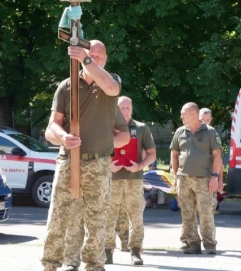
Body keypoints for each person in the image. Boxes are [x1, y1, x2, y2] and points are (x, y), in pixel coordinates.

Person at [41, 39, 130, 271]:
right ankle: (50, 264)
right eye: (93, 55)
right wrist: (63, 137)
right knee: (59, 216)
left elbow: (112, 89)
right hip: (69, 161)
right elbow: (51, 127)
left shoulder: (109, 85)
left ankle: (93, 266)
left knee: (97, 220)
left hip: (98, 164)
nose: (97, 59)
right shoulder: (66, 86)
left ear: (105, 59)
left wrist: (87, 60)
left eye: (101, 57)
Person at [105, 95, 156, 266]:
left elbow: (152, 154)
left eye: (128, 107)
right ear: (116, 109)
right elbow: (99, 152)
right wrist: (108, 166)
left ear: (132, 109)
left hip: (134, 180)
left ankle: (135, 251)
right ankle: (107, 251)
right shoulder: (107, 127)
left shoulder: (141, 128)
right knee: (108, 217)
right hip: (112, 179)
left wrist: (139, 166)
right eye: (122, 107)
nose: (125, 110)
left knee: (136, 217)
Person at [170, 102, 222, 255]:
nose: (181, 116)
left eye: (183, 113)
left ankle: (210, 244)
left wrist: (215, 177)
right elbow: (174, 154)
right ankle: (193, 244)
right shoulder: (180, 132)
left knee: (206, 212)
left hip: (204, 179)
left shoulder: (210, 132)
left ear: (193, 113)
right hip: (184, 178)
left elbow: (217, 155)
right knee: (187, 213)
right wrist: (175, 175)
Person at [199, 108, 224, 212]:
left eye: (207, 120)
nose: (205, 122)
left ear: (211, 120)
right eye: (202, 120)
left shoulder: (213, 134)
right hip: (193, 176)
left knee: (208, 210)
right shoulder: (191, 132)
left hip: (209, 177)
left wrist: (220, 180)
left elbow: (219, 160)